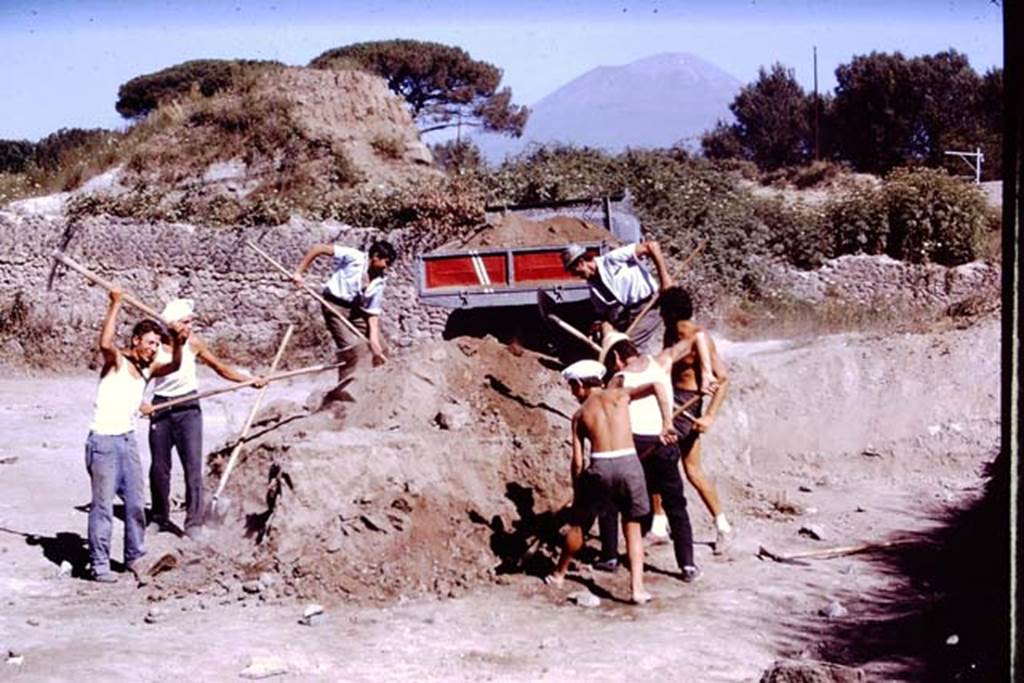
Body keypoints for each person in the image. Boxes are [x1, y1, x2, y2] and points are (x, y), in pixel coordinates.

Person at [544, 359, 676, 605]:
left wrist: (578, 490)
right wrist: (667, 422)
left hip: (601, 465)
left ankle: (559, 574)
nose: (574, 394)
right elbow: (658, 384)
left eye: (573, 388)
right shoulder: (620, 395)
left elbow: (577, 462)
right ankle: (637, 590)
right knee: (633, 527)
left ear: (580, 384)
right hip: (629, 463)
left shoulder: (580, 415)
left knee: (579, 525)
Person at [143, 298, 265, 540]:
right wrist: (140, 403)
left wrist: (248, 380)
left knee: (192, 467)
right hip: (161, 407)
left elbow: (220, 368)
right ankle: (159, 517)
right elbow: (139, 378)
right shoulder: (155, 347)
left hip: (188, 408)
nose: (190, 326)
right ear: (173, 324)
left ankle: (193, 522)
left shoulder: (193, 344)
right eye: (187, 322)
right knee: (159, 468)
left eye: (191, 321)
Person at [85, 289, 184, 582]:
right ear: (135, 341)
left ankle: (135, 556)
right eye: (150, 343)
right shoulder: (116, 361)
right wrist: (115, 304)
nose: (154, 349)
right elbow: (104, 342)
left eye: (157, 344)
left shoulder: (147, 370)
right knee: (103, 506)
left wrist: (178, 341)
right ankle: (99, 564)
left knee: (135, 503)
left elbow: (176, 365)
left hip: (127, 441)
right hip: (103, 441)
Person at [601, 329, 702, 582]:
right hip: (665, 442)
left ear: (616, 358)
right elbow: (695, 338)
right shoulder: (662, 363)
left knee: (612, 500)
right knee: (676, 504)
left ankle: (610, 556)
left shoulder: (618, 380)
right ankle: (687, 565)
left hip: (634, 445)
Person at [659, 286, 734, 555]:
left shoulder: (697, 337)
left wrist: (709, 415)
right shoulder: (671, 332)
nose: (658, 314)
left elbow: (722, 378)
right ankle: (659, 525)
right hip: (670, 399)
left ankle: (722, 526)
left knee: (675, 464)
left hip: (689, 403)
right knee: (677, 465)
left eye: (662, 310)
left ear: (669, 312)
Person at [292, 240, 397, 380]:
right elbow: (318, 248)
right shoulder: (354, 257)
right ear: (376, 256)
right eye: (387, 262)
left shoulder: (380, 280)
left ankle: (376, 385)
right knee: (351, 350)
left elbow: (372, 313)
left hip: (355, 309)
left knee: (381, 348)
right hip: (333, 305)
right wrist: (299, 272)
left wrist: (374, 340)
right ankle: (344, 391)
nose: (387, 267)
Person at [562, 240, 672, 352]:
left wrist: (665, 280)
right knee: (615, 345)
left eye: (575, 271)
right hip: (629, 313)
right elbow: (604, 315)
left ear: (581, 262)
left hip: (650, 305)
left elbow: (652, 246)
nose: (576, 276)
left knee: (628, 346)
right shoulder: (594, 287)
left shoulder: (612, 259)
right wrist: (603, 328)